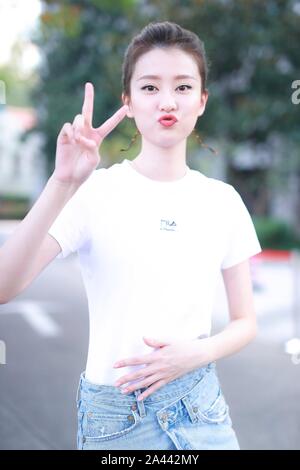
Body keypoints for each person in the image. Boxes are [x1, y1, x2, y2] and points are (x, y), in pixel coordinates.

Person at [0, 21, 262, 451]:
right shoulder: (96, 192)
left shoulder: (223, 200)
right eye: (149, 87)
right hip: (116, 423)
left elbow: (245, 322)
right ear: (128, 101)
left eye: (182, 87)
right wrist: (62, 182)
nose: (167, 101)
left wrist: (197, 354)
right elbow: (4, 286)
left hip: (202, 412)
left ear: (202, 101)